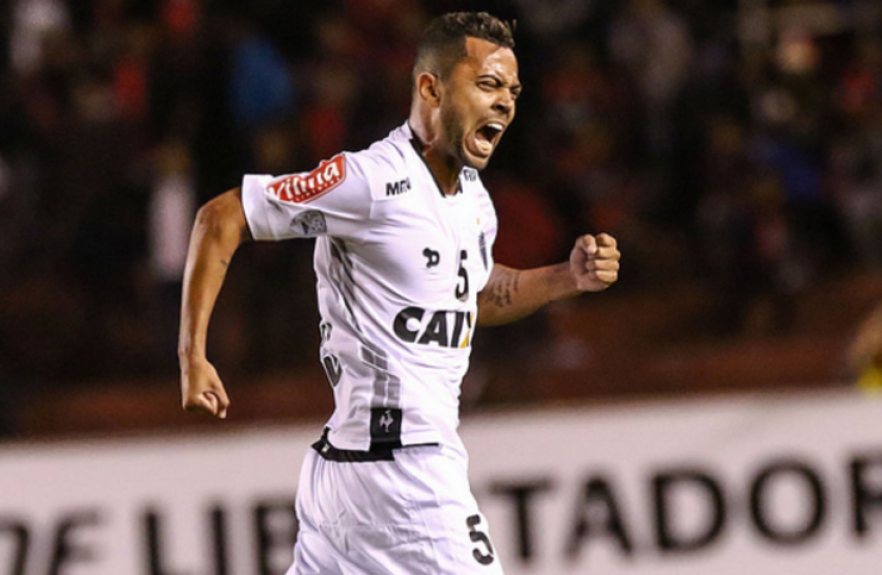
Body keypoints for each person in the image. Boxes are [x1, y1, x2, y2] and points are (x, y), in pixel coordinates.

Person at [178, 12, 621, 574]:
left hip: (345, 473)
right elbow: (221, 216)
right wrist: (192, 354)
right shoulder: (370, 182)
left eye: (512, 90)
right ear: (431, 88)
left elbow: (472, 298)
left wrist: (564, 277)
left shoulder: (474, 200)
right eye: (487, 84)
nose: (506, 102)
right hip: (405, 473)